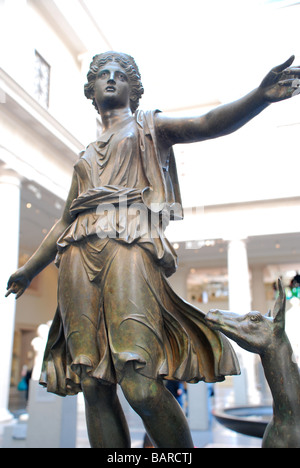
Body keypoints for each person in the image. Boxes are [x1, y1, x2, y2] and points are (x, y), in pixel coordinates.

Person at [6, 51, 300, 448]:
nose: (110, 79)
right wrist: (29, 270)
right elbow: (64, 220)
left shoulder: (149, 126)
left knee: (139, 383)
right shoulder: (86, 155)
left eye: (120, 75)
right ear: (91, 90)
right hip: (77, 254)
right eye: (102, 75)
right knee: (92, 383)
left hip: (129, 245)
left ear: (134, 89)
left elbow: (206, 123)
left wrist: (259, 96)